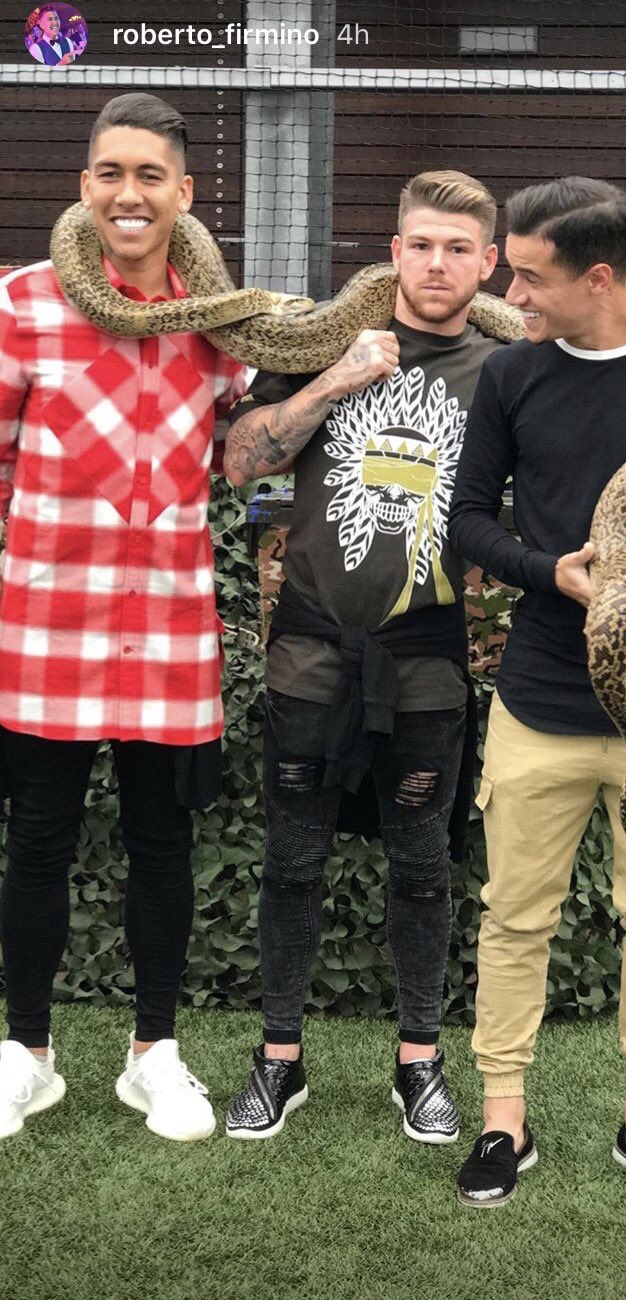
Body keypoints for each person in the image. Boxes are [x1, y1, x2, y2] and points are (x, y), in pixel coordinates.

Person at [448, 176, 626, 1210]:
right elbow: (468, 518)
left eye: (530, 276)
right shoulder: (512, 373)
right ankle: (503, 1118)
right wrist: (550, 574)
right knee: (513, 918)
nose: (510, 293)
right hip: (539, 694)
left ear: (602, 278)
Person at [222, 171, 503, 1143]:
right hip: (310, 653)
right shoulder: (319, 343)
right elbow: (242, 461)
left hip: (426, 660)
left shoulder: (507, 370)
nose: (437, 264)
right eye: (420, 244)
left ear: (487, 263)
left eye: (458, 248)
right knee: (292, 860)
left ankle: (419, 1061)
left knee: (422, 865)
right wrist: (336, 380)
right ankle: (279, 1058)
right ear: (393, 253)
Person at [0, 93, 247, 1142]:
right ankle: (28, 1054)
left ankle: (156, 1055)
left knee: (163, 843)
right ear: (85, 185)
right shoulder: (23, 303)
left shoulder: (219, 317)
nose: (129, 193)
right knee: (37, 841)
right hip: (45, 626)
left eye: (150, 175)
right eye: (111, 172)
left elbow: (243, 447)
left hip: (172, 627)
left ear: (184, 192)